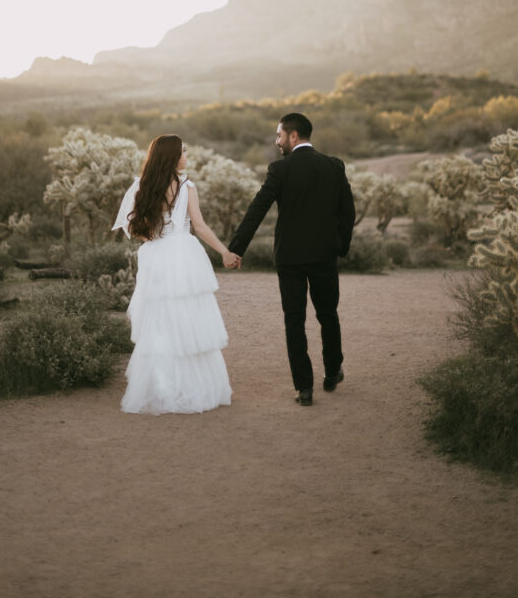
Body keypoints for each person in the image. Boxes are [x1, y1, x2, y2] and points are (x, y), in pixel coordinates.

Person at [228, 113, 355, 407]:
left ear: (293, 136)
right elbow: (347, 211)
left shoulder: (280, 169)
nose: (277, 141)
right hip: (325, 255)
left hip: (290, 258)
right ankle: (333, 371)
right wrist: (340, 246)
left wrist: (237, 248)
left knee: (293, 321)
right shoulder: (334, 166)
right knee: (328, 315)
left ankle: (304, 388)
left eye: (279, 135)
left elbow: (257, 208)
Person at [112, 134, 240, 415]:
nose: (186, 154)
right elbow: (201, 227)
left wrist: (155, 235)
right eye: (182, 151)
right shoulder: (187, 186)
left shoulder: (143, 186)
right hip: (183, 253)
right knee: (188, 319)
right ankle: (192, 387)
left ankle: (160, 388)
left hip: (156, 255)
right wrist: (224, 251)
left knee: (160, 321)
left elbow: (134, 230)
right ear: (171, 156)